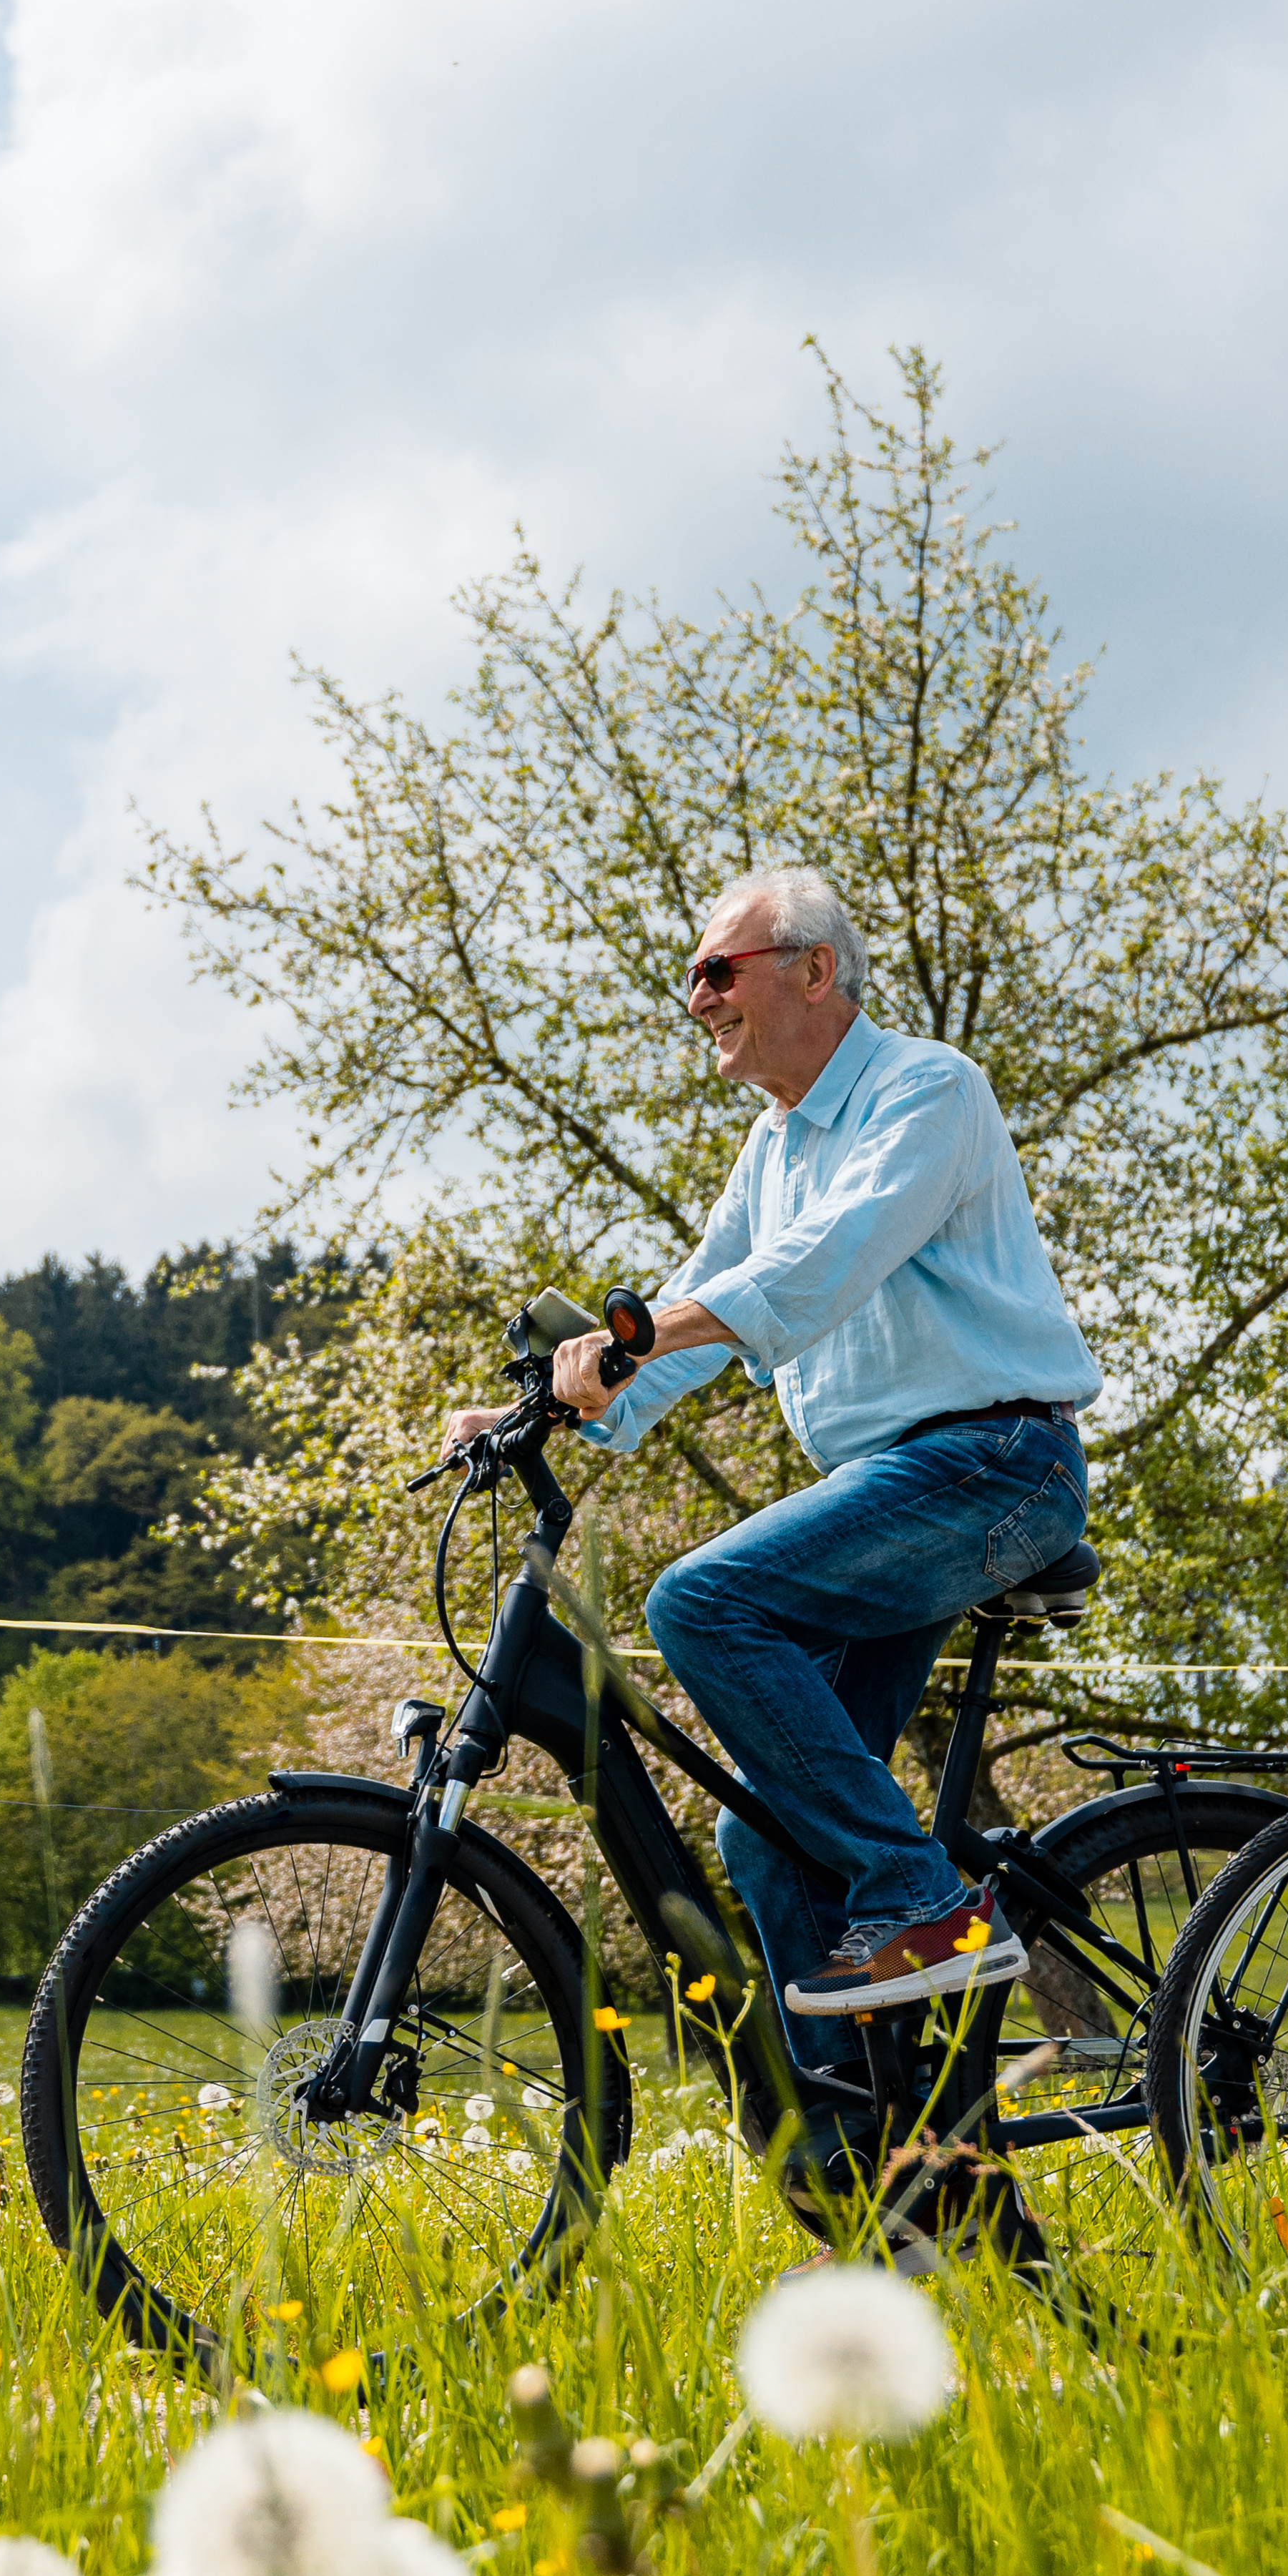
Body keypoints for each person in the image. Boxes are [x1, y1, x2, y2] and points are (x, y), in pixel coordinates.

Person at [448, 864, 1098, 2102]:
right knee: (767, 1838)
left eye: (716, 970)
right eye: (689, 977)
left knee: (702, 1603)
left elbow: (814, 1272)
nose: (695, 997)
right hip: (895, 1491)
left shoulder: (926, 1091)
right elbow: (710, 1303)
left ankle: (922, 1902)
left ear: (814, 971)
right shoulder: (774, 1145)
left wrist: (638, 1335)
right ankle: (892, 2188)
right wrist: (549, 1407)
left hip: (994, 1466)